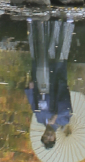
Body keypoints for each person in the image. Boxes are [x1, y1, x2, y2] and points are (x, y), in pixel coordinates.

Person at [25, 19, 73, 149]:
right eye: (50, 138)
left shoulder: (40, 119)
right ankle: (66, 23)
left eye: (45, 137)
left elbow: (34, 105)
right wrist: (56, 116)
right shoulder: (63, 121)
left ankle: (38, 23)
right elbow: (67, 109)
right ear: (55, 137)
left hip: (42, 86)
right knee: (60, 56)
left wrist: (30, 90)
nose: (48, 136)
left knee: (40, 55)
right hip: (56, 87)